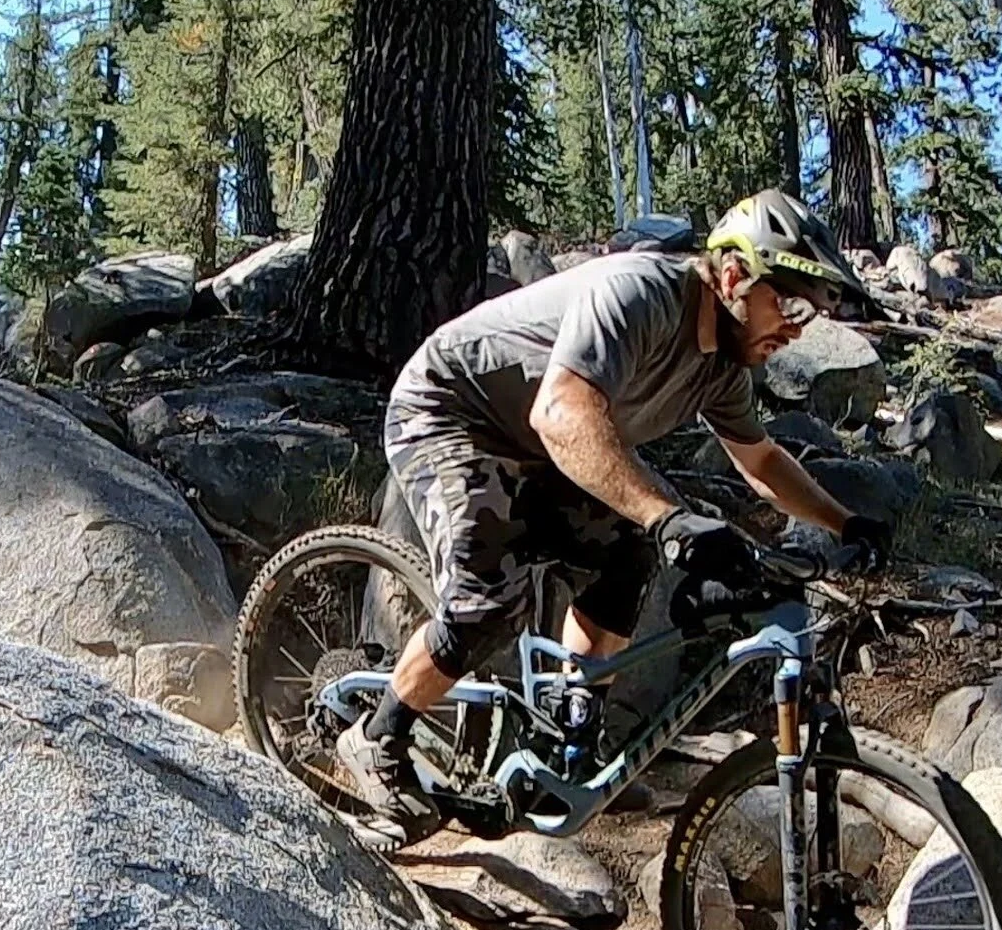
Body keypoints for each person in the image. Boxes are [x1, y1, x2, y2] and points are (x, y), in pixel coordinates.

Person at [336, 189, 889, 841]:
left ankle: (570, 737)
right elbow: (560, 413)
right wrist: (669, 518)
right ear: (734, 276)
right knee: (490, 603)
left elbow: (761, 461)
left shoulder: (722, 369)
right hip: (454, 413)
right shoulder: (640, 294)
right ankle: (377, 735)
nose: (797, 329)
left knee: (628, 550)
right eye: (792, 306)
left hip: (544, 437)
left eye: (811, 316)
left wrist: (844, 522)